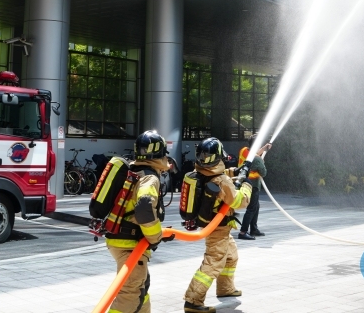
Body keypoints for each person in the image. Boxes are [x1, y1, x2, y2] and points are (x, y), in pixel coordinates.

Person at [183, 138, 253, 313]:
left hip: (218, 227)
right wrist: (246, 186)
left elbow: (219, 174)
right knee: (213, 264)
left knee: (231, 256)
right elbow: (240, 201)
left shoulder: (201, 170)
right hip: (218, 228)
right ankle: (192, 301)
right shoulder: (221, 181)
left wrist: (235, 172)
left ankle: (225, 288)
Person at [105, 130, 171, 313]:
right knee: (130, 294)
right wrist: (156, 237)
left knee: (141, 288)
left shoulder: (133, 172)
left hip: (120, 239)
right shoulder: (149, 177)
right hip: (131, 243)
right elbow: (144, 207)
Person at [237, 143, 271, 240]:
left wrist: (263, 149)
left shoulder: (244, 151)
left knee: (256, 206)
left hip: (244, 183)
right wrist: (262, 162)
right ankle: (243, 232)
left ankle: (254, 229)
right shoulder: (257, 159)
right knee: (252, 208)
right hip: (253, 185)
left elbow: (254, 153)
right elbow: (263, 173)